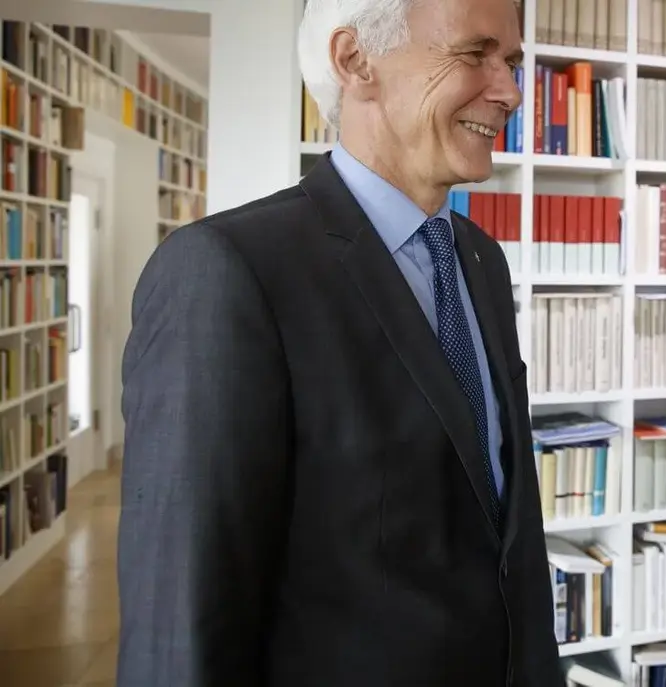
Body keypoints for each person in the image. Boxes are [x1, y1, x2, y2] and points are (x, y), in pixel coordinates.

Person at [115, 0, 562, 684]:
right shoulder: (227, 271)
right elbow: (181, 627)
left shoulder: (480, 260)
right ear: (356, 61)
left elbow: (506, 538)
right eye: (476, 54)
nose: (509, 91)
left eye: (512, 62)